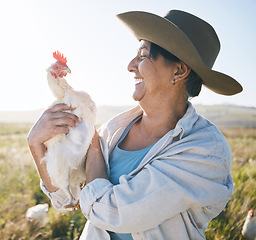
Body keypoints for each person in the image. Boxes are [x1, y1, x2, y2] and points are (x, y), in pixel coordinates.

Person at [27, 9, 242, 240]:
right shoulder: (113, 130)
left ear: (179, 70)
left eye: (143, 55)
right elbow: (71, 200)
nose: (130, 65)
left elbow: (112, 212)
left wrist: (93, 148)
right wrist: (36, 144)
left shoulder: (206, 150)